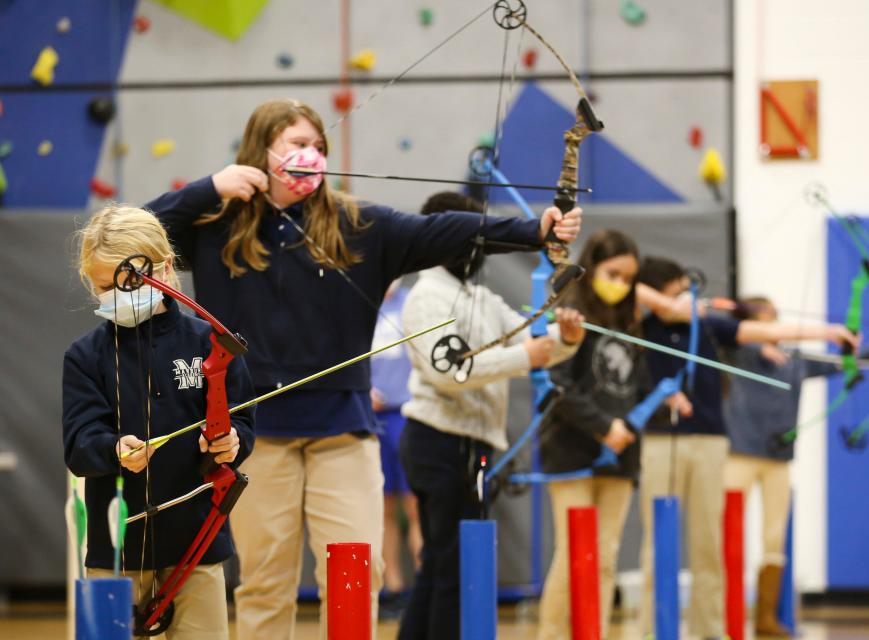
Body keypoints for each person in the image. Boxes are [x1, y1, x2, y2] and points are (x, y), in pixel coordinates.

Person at [142, 98, 583, 639]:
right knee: (263, 583)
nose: (311, 156)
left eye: (318, 146)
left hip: (343, 434)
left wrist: (536, 231)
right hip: (255, 437)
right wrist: (210, 188)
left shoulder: (360, 225)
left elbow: (442, 230)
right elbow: (135, 234)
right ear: (261, 153)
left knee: (354, 576)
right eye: (297, 145)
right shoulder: (215, 228)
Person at [636, 257, 858, 640]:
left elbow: (762, 329)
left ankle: (710, 631)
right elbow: (631, 290)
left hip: (709, 440)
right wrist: (668, 305)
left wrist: (829, 330)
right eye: (677, 288)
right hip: (660, 441)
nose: (687, 297)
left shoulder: (708, 327)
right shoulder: (641, 324)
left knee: (708, 545)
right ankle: (649, 631)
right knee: (657, 544)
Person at [398, 191, 585, 640]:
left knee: (445, 563)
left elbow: (530, 339)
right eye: (467, 238)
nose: (475, 249)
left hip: (467, 443)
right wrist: (527, 356)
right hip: (438, 441)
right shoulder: (427, 296)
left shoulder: (478, 295)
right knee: (455, 567)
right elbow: (450, 371)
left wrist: (568, 336)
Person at [63, 205, 255, 639]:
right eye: (102, 287)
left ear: (164, 268)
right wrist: (113, 449)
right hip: (116, 551)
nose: (115, 295)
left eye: (127, 282)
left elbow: (241, 420)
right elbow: (79, 444)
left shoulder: (210, 343)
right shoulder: (85, 357)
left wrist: (232, 442)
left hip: (198, 544)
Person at [536, 230, 687, 639]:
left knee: (604, 558)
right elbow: (557, 386)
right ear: (592, 268)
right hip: (571, 451)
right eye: (612, 273)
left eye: (628, 278)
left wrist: (662, 402)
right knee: (573, 555)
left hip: (620, 456)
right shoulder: (567, 313)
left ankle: (593, 632)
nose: (620, 284)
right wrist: (604, 428)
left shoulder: (628, 322)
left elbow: (633, 389)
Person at [721, 296, 869, 637]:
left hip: (777, 458)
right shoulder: (738, 354)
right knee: (728, 535)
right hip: (738, 454)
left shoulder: (795, 361)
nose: (773, 328)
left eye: (775, 320)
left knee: (774, 539)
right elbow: (721, 330)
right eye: (763, 321)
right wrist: (744, 327)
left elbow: (839, 363)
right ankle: (726, 618)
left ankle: (765, 619)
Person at [370, 280, 422, 617]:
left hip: (408, 414)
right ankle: (393, 587)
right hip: (374, 418)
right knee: (383, 508)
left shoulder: (412, 304)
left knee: (416, 505)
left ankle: (424, 584)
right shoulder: (363, 304)